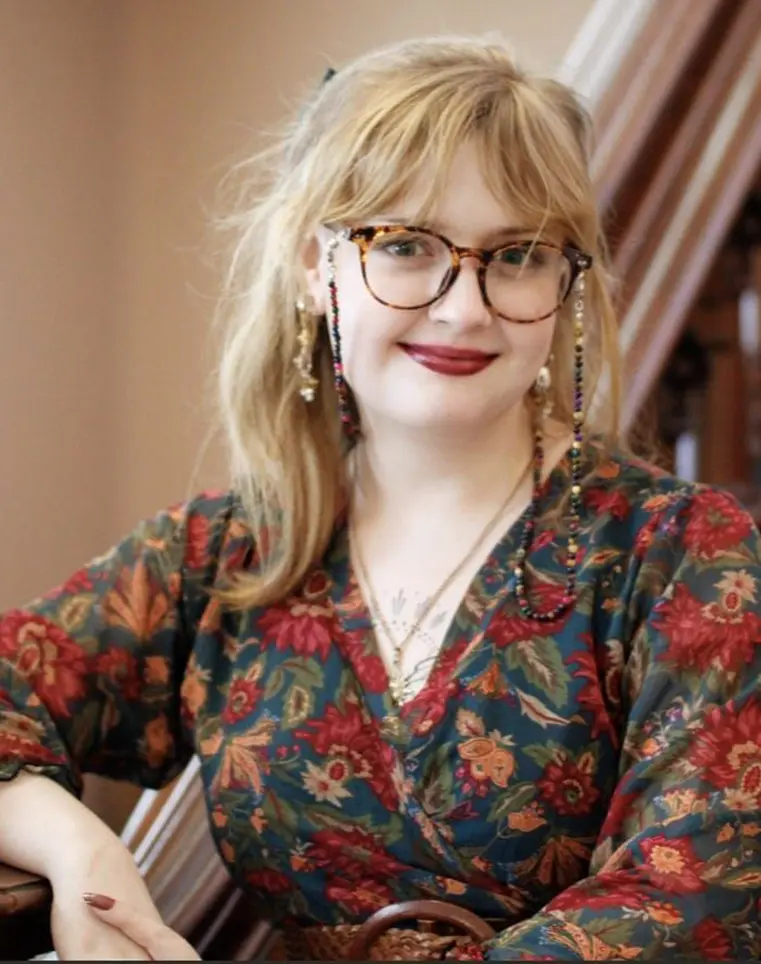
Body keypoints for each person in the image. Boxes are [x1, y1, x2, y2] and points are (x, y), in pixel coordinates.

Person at [1, 33, 761, 963]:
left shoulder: (684, 554)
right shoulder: (231, 553)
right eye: (403, 244)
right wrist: (82, 856)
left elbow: (701, 896)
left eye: (516, 255)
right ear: (310, 268)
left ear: (565, 288)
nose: (463, 306)